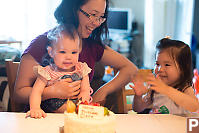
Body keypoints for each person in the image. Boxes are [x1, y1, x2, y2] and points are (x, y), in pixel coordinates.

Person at [14, 0, 138, 113]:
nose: (96, 23)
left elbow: (131, 69)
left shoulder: (91, 45)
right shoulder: (42, 43)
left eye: (101, 17)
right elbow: (18, 94)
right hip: (42, 118)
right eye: (93, 15)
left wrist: (101, 92)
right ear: (73, 9)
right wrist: (50, 92)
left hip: (75, 118)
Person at [26, 25, 94, 118]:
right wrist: (35, 108)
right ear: (51, 52)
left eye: (74, 52)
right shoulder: (47, 72)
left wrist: (80, 106)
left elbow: (85, 90)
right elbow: (36, 92)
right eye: (62, 52)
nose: (68, 57)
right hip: (52, 116)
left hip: (75, 115)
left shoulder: (81, 70)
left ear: (79, 51)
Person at [131, 38, 199, 114]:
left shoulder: (185, 88)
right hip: (158, 124)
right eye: (157, 64)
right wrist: (138, 96)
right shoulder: (155, 88)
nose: (160, 69)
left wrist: (166, 89)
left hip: (178, 125)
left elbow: (194, 106)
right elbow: (137, 109)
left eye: (167, 64)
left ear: (183, 68)